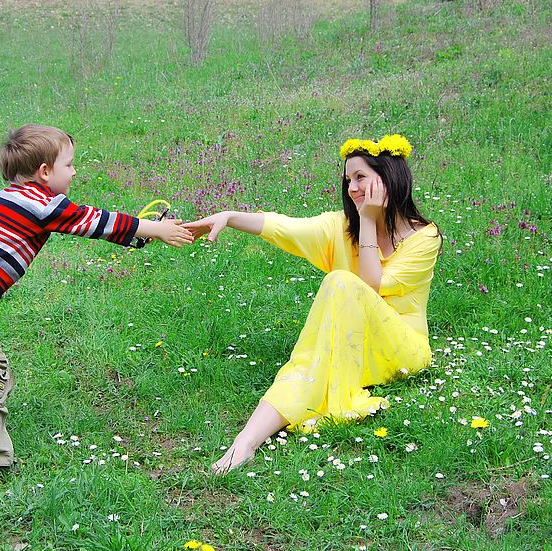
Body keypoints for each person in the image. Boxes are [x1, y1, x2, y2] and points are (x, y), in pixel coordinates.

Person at [0, 124, 194, 486]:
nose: (75, 172)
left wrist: (139, 237)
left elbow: (85, 223)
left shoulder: (10, 196)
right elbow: (93, 221)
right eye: (70, 165)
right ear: (45, 172)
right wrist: (156, 230)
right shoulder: (41, 201)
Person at [184, 135, 441, 472]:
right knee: (311, 360)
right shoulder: (340, 226)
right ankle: (245, 442)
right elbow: (283, 227)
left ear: (390, 177)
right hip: (353, 344)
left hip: (403, 349)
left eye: (361, 177)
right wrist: (230, 216)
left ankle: (262, 432)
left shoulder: (424, 238)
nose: (351, 187)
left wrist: (368, 221)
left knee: (341, 282)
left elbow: (371, 285)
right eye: (348, 179)